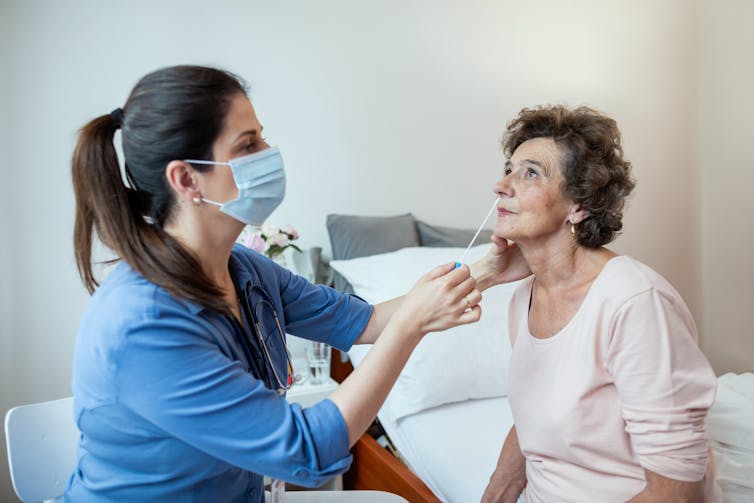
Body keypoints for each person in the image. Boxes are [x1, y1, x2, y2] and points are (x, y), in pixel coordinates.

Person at [65, 65, 525, 502]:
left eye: (263, 137)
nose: (269, 154)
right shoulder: (143, 327)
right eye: (248, 146)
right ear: (186, 178)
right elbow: (307, 451)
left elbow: (363, 322)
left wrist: (488, 271)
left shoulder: (245, 269)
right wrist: (411, 328)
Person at [480, 105, 722, 503]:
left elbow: (677, 494)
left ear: (578, 205)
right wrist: (496, 490)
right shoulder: (523, 297)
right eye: (509, 168)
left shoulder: (635, 302)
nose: (502, 185)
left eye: (531, 172)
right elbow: (533, 418)